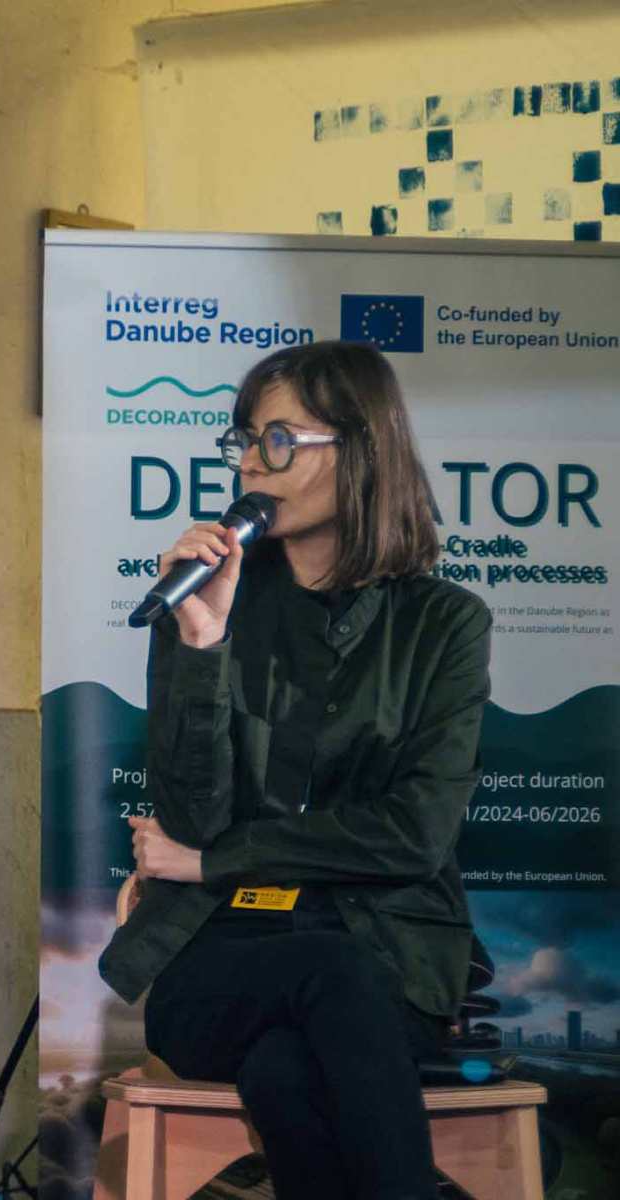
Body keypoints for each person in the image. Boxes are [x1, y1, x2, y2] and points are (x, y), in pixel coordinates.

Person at [99, 340, 491, 1200]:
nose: (249, 463)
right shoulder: (214, 601)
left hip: (385, 958)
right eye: (243, 439)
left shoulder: (445, 625)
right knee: (324, 980)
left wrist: (218, 859)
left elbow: (415, 834)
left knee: (284, 1070)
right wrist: (203, 645)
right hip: (223, 960)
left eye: (276, 440)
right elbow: (191, 814)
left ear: (360, 450)